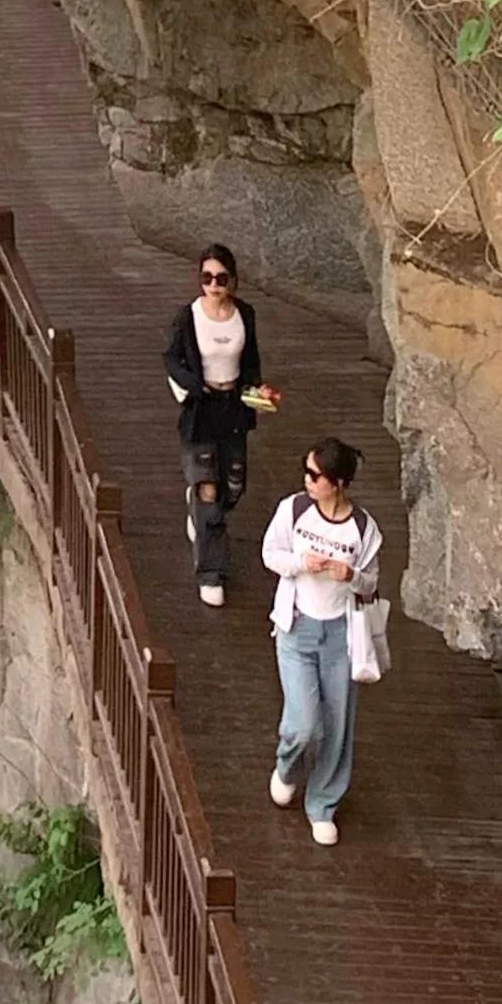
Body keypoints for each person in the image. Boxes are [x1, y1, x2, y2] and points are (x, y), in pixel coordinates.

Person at [262, 436, 382, 844]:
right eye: (307, 472)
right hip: (297, 628)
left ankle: (323, 804)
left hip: (340, 635)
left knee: (337, 723)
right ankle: (286, 767)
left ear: (338, 482)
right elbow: (270, 554)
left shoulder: (362, 528)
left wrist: (351, 576)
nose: (307, 480)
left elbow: (371, 582)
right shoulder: (294, 510)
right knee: (302, 723)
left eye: (315, 475)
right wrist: (300, 563)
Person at [162, 245, 273, 605]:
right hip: (201, 408)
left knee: (233, 486)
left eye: (220, 278)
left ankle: (202, 511)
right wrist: (196, 386)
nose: (213, 285)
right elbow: (172, 359)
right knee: (207, 486)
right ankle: (211, 572)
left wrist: (258, 390)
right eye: (206, 278)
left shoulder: (245, 315)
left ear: (234, 281)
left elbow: (251, 359)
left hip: (234, 408)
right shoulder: (187, 317)